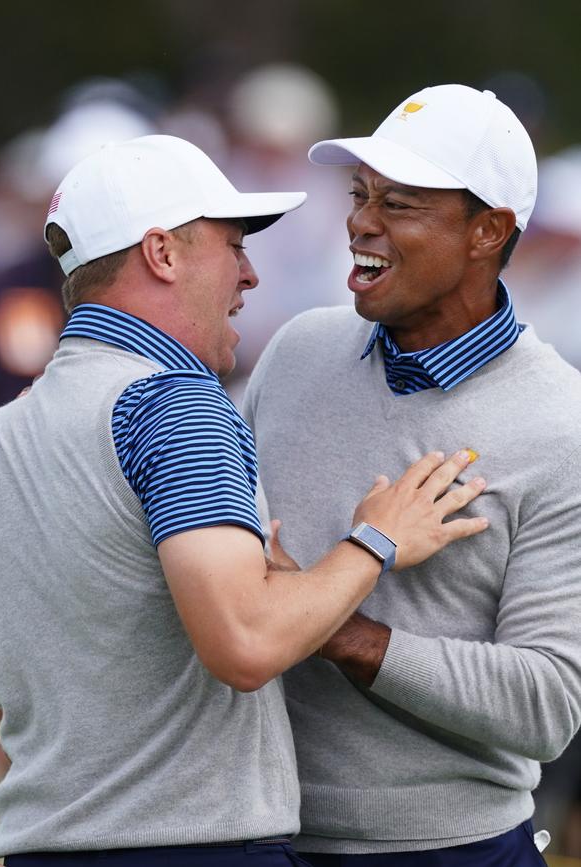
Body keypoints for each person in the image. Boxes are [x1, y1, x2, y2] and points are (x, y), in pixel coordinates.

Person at [0, 134, 487, 867]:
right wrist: (375, 540)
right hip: (194, 847)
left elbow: (4, 694)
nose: (251, 274)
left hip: (42, 847)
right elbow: (244, 644)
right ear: (162, 254)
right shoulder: (177, 404)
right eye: (232, 245)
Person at [243, 84, 581, 866]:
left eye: (399, 203)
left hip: (446, 849)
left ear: (487, 231)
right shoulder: (296, 352)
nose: (360, 221)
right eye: (360, 195)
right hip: (252, 833)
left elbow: (547, 704)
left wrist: (325, 620)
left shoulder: (561, 423)